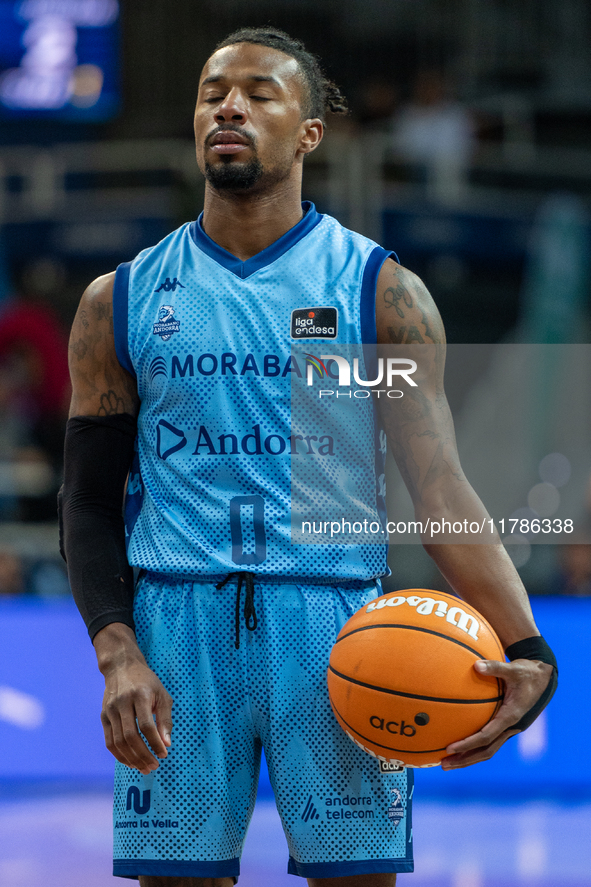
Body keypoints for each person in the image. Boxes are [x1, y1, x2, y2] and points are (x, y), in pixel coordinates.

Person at [60, 28, 557, 887]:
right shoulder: (123, 298)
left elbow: (437, 487)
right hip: (177, 628)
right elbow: (88, 502)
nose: (228, 106)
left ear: (309, 133)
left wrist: (531, 648)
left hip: (337, 627)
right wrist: (117, 652)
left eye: (259, 93)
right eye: (213, 91)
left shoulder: (381, 292)